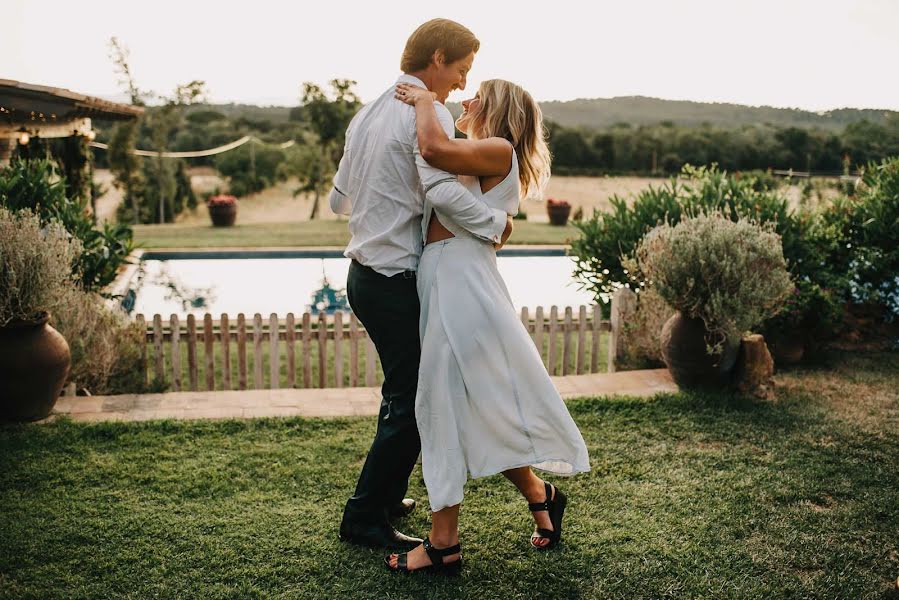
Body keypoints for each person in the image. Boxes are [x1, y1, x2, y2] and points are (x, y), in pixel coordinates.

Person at [384, 79, 591, 575]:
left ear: (496, 108)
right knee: (476, 406)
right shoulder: (473, 152)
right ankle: (541, 496)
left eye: (477, 94)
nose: (467, 100)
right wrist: (494, 225)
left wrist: (426, 104)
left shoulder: (496, 148)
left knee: (438, 401)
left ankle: (443, 544)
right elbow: (446, 195)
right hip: (446, 275)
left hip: (462, 281)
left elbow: (441, 188)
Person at [329, 18, 514, 551]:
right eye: (461, 69)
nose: (460, 84)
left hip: (361, 274)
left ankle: (386, 496)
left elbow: (339, 200)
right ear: (437, 57)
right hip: (393, 278)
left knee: (404, 392)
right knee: (412, 398)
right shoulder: (425, 115)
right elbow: (444, 194)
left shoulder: (367, 111)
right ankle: (364, 518)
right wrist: (495, 224)